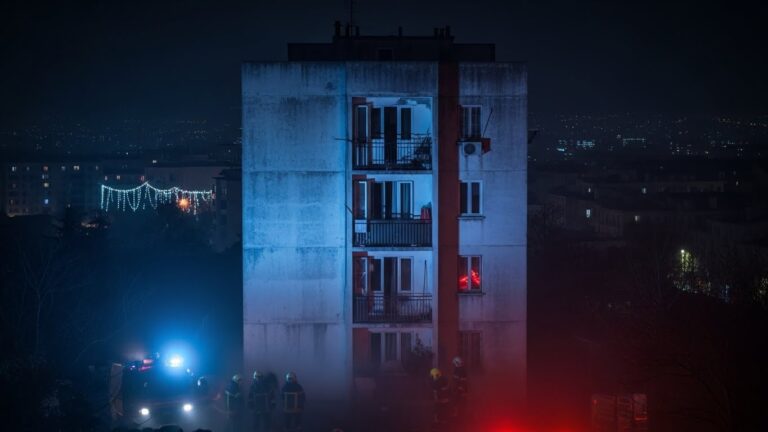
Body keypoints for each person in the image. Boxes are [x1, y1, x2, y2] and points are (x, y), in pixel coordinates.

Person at [451, 356, 469, 422]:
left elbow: (463, 380)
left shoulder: (462, 370)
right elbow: (455, 379)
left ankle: (462, 416)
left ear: (457, 363)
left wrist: (461, 388)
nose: (454, 365)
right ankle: (457, 415)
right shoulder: (457, 369)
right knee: (456, 402)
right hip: (457, 388)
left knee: (462, 402)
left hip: (461, 389)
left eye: (455, 363)